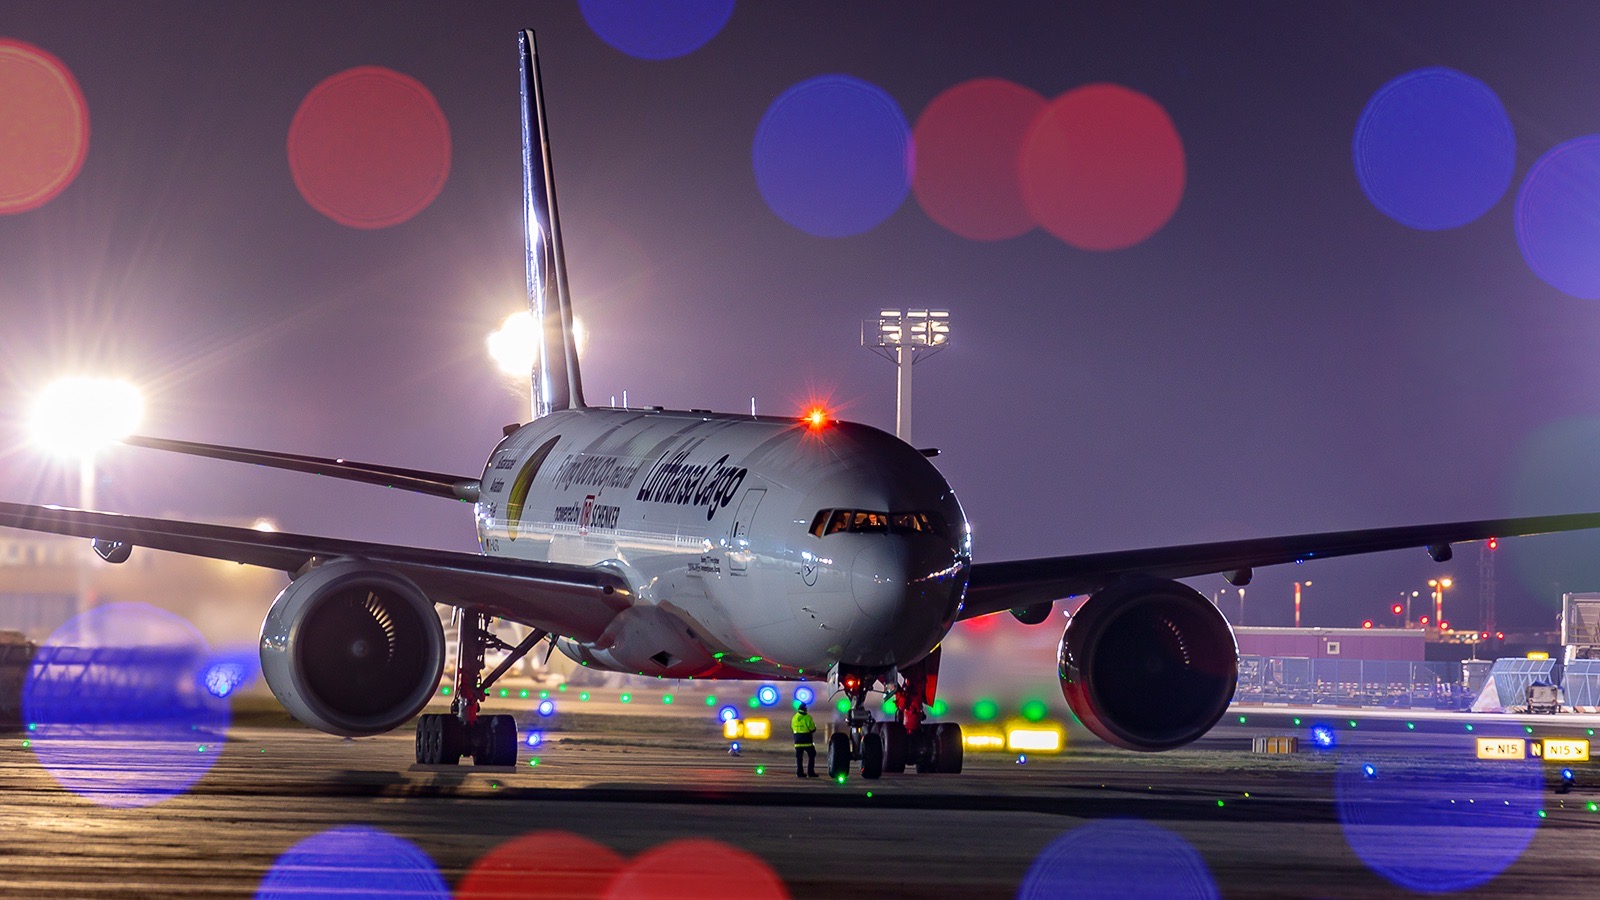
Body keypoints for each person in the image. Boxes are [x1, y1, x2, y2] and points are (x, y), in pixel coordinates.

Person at [791, 702, 818, 777]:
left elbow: (792, 727)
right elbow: (812, 729)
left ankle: (799, 772)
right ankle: (810, 772)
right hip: (807, 741)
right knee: (812, 755)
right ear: (805, 709)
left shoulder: (794, 717)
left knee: (799, 758)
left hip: (797, 741)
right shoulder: (807, 717)